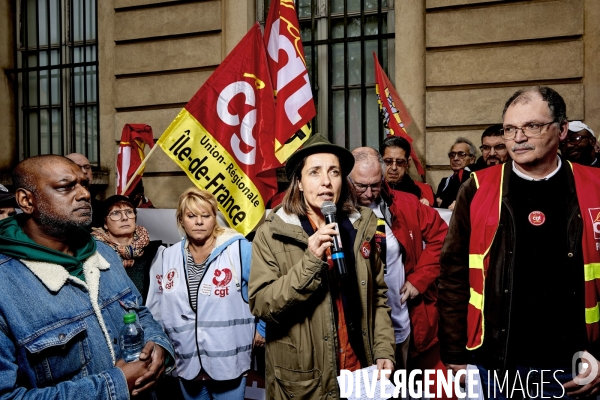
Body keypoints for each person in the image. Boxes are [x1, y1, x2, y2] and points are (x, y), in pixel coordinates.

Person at [438, 86, 600, 399]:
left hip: (576, 367)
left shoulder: (594, 187)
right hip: (495, 366)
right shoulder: (477, 188)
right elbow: (453, 275)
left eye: (532, 126)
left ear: (562, 129)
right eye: (511, 129)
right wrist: (455, 355)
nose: (519, 137)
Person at [0, 154, 174, 399]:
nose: (84, 194)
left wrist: (159, 347)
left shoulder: (104, 253)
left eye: (84, 184)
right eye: (66, 187)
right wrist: (115, 384)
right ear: (26, 200)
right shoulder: (5, 283)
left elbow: (139, 312)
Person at [248, 134, 395, 400]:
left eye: (334, 172)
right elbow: (262, 305)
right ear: (300, 183)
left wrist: (384, 349)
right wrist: (310, 262)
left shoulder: (360, 225)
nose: (326, 181)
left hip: (359, 371)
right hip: (304, 382)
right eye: (314, 172)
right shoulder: (271, 233)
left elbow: (379, 296)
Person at [147, 187, 265, 399]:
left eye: (206, 215)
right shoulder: (168, 256)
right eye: (191, 216)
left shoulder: (239, 249)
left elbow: (267, 289)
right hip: (186, 364)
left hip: (228, 363)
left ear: (214, 218)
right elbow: (162, 306)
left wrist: (263, 328)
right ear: (181, 220)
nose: (199, 222)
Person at [349, 147, 448, 391]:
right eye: (361, 186)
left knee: (401, 390)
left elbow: (443, 236)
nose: (369, 193)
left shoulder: (404, 203)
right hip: (358, 330)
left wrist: (419, 279)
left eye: (375, 184)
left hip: (400, 322)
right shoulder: (331, 213)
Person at [91, 195, 163, 302]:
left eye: (129, 212)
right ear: (105, 223)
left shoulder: (155, 252)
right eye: (115, 213)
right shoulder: (96, 254)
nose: (125, 218)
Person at [380, 135, 435, 205]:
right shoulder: (369, 191)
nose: (394, 167)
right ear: (380, 161)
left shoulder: (426, 191)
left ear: (408, 163)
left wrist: (427, 211)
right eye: (388, 161)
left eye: (399, 162)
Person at [435, 137, 475, 210]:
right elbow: (437, 203)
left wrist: (444, 202)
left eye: (461, 154)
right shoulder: (444, 181)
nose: (455, 158)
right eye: (452, 154)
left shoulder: (473, 179)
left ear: (472, 159)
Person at [66, 152, 103, 228]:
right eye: (78, 167)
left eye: (87, 167)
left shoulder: (102, 208)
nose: (84, 171)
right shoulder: (56, 206)